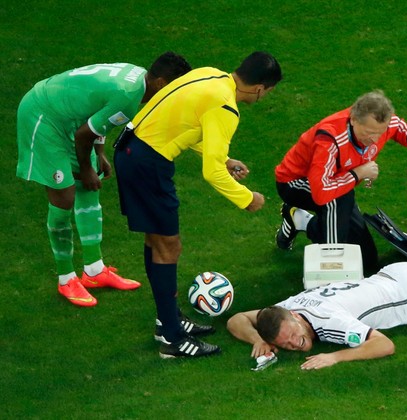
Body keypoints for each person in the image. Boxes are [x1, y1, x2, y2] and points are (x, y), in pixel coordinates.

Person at [114, 51, 282, 359]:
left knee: (158, 242)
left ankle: (167, 321)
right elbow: (211, 172)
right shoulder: (225, 106)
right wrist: (247, 198)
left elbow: (183, 123)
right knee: (169, 247)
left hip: (132, 150)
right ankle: (173, 340)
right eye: (268, 92)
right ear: (260, 88)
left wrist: (223, 158)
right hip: (148, 163)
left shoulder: (211, 76)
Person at [16, 52, 191, 307]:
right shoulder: (129, 97)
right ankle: (66, 279)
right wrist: (86, 168)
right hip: (43, 116)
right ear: (162, 84)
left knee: (90, 186)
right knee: (64, 195)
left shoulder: (136, 76)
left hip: (68, 117)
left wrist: (98, 154)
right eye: (175, 89)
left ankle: (94, 271)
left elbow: (96, 117)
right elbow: (83, 134)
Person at [274, 90, 407, 271]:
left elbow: (397, 125)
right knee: (338, 201)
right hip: (295, 182)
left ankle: (300, 221)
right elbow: (321, 192)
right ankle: (332, 271)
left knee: (366, 260)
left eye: (379, 133)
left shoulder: (379, 123)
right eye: (369, 133)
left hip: (338, 182)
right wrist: (357, 174)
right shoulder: (330, 140)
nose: (374, 139)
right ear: (353, 120)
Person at [226, 261, 407, 370]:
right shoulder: (286, 307)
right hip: (396, 272)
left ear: (295, 318)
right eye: (286, 344)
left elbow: (385, 345)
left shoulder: (330, 323)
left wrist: (335, 357)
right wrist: (257, 340)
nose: (295, 344)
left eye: (294, 335)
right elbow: (237, 319)